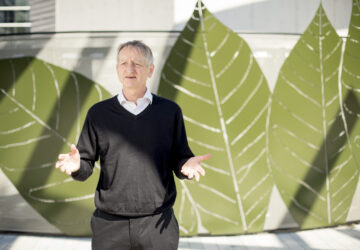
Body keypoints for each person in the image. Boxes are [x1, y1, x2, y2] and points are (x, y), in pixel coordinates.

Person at [55, 40, 211, 250]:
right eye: (123, 63)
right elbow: (85, 167)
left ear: (150, 70)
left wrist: (186, 166)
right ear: (117, 69)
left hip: (158, 225)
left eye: (137, 63)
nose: (130, 69)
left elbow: (179, 159)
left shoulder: (169, 111)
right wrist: (77, 166)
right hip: (109, 225)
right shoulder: (98, 114)